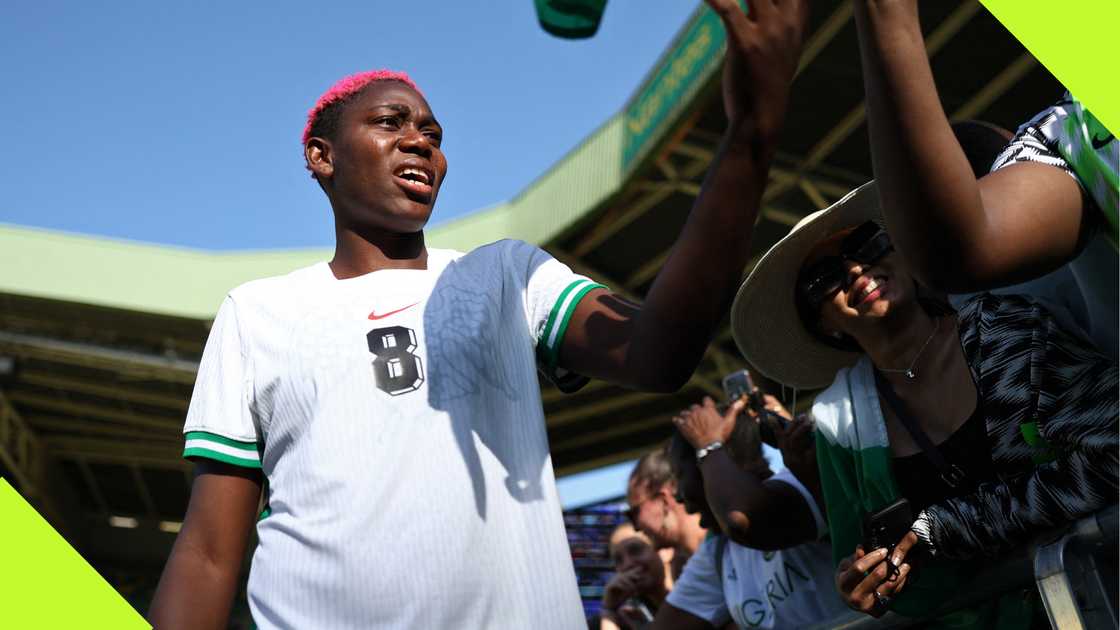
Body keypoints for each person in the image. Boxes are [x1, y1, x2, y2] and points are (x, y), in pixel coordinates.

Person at [147, 1, 811, 627]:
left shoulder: (502, 276)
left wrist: (752, 137)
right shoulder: (259, 313)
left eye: (432, 134)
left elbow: (659, 353)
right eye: (390, 123)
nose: (420, 142)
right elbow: (208, 551)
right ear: (322, 156)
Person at [730, 182, 1119, 626]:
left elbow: (1114, 452)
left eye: (867, 244)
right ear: (823, 324)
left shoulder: (1005, 331)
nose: (856, 269)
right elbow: (895, 580)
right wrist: (871, 583)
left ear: (902, 252)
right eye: (826, 280)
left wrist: (951, 525)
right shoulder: (839, 426)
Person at [850, 0, 1118, 357]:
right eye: (820, 282)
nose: (853, 271)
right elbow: (960, 249)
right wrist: (887, 19)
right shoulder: (1069, 137)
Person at [648, 395, 846, 629]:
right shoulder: (719, 551)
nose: (679, 495)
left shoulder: (800, 485)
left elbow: (745, 520)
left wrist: (708, 445)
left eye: (679, 475)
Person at [626, 451, 707, 580]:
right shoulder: (690, 568)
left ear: (664, 501)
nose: (636, 528)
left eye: (634, 513)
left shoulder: (729, 545)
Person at [599, 523, 670, 630]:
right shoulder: (626, 618)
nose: (627, 564)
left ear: (665, 551)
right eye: (618, 560)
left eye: (636, 550)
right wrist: (609, 610)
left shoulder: (696, 596)